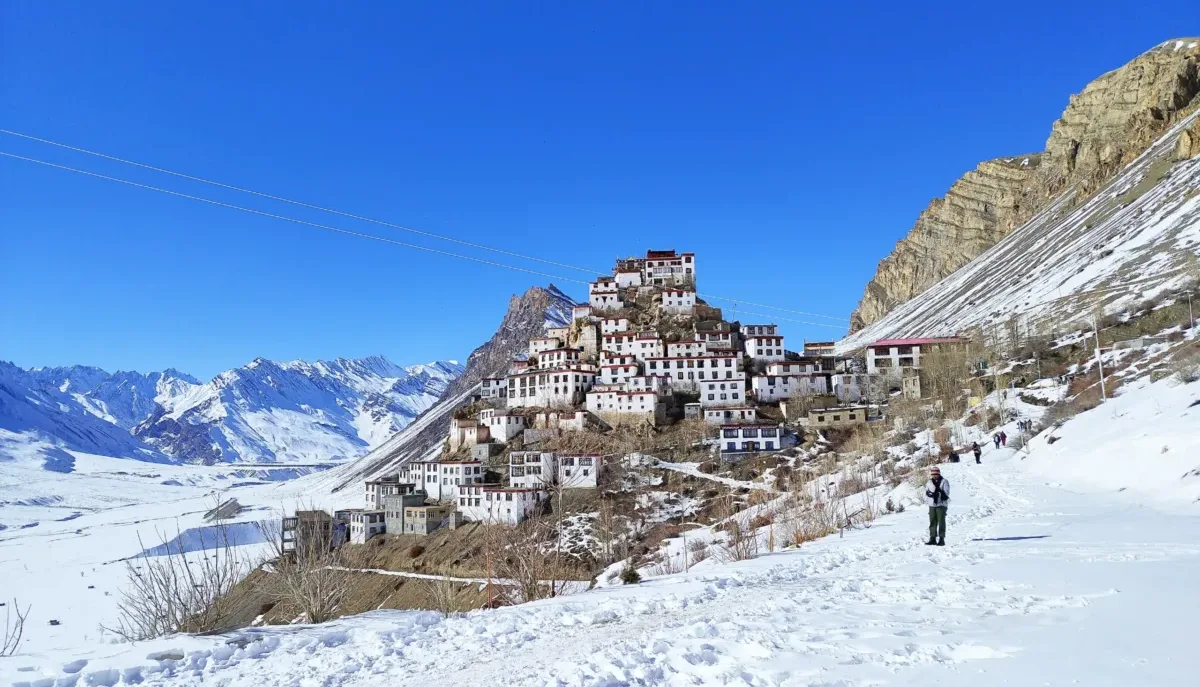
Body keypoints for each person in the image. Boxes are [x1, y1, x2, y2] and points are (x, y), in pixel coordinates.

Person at [925, 466, 950, 546]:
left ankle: (941, 539)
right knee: (932, 521)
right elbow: (926, 492)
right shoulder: (929, 482)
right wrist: (929, 496)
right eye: (933, 474)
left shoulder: (944, 481)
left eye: (936, 474)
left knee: (941, 521)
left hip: (941, 504)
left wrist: (938, 494)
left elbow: (946, 492)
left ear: (939, 474)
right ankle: (932, 538)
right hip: (931, 504)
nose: (935, 475)